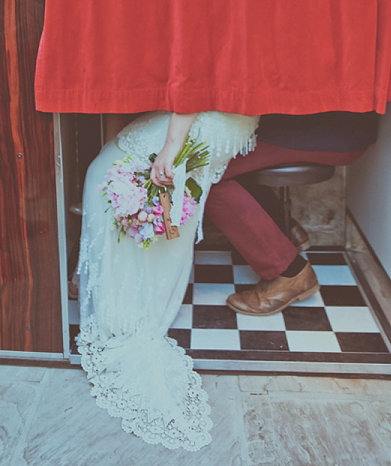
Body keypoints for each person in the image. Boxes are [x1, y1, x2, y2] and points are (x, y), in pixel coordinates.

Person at [76, 109, 259, 451]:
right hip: (235, 120)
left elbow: (193, 79)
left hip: (203, 116)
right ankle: (113, 285)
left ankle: (125, 306)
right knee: (148, 184)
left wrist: (171, 147)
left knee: (104, 172)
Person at [204, 112, 379, 317]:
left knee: (206, 174)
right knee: (218, 156)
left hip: (323, 131)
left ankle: (289, 272)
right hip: (328, 127)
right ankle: (285, 231)